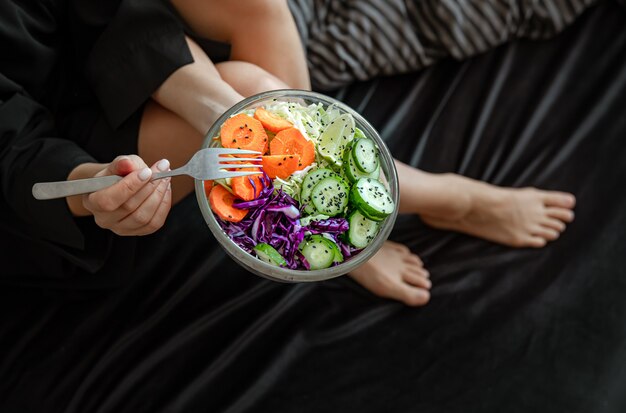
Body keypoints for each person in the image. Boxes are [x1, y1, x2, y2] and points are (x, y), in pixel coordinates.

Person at [0, 0, 580, 304]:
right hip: (50, 169)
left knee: (259, 7)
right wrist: (93, 186)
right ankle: (437, 198)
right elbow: (16, 155)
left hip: (95, 50)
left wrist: (219, 111)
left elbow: (110, 14)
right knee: (253, 89)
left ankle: (322, 211)